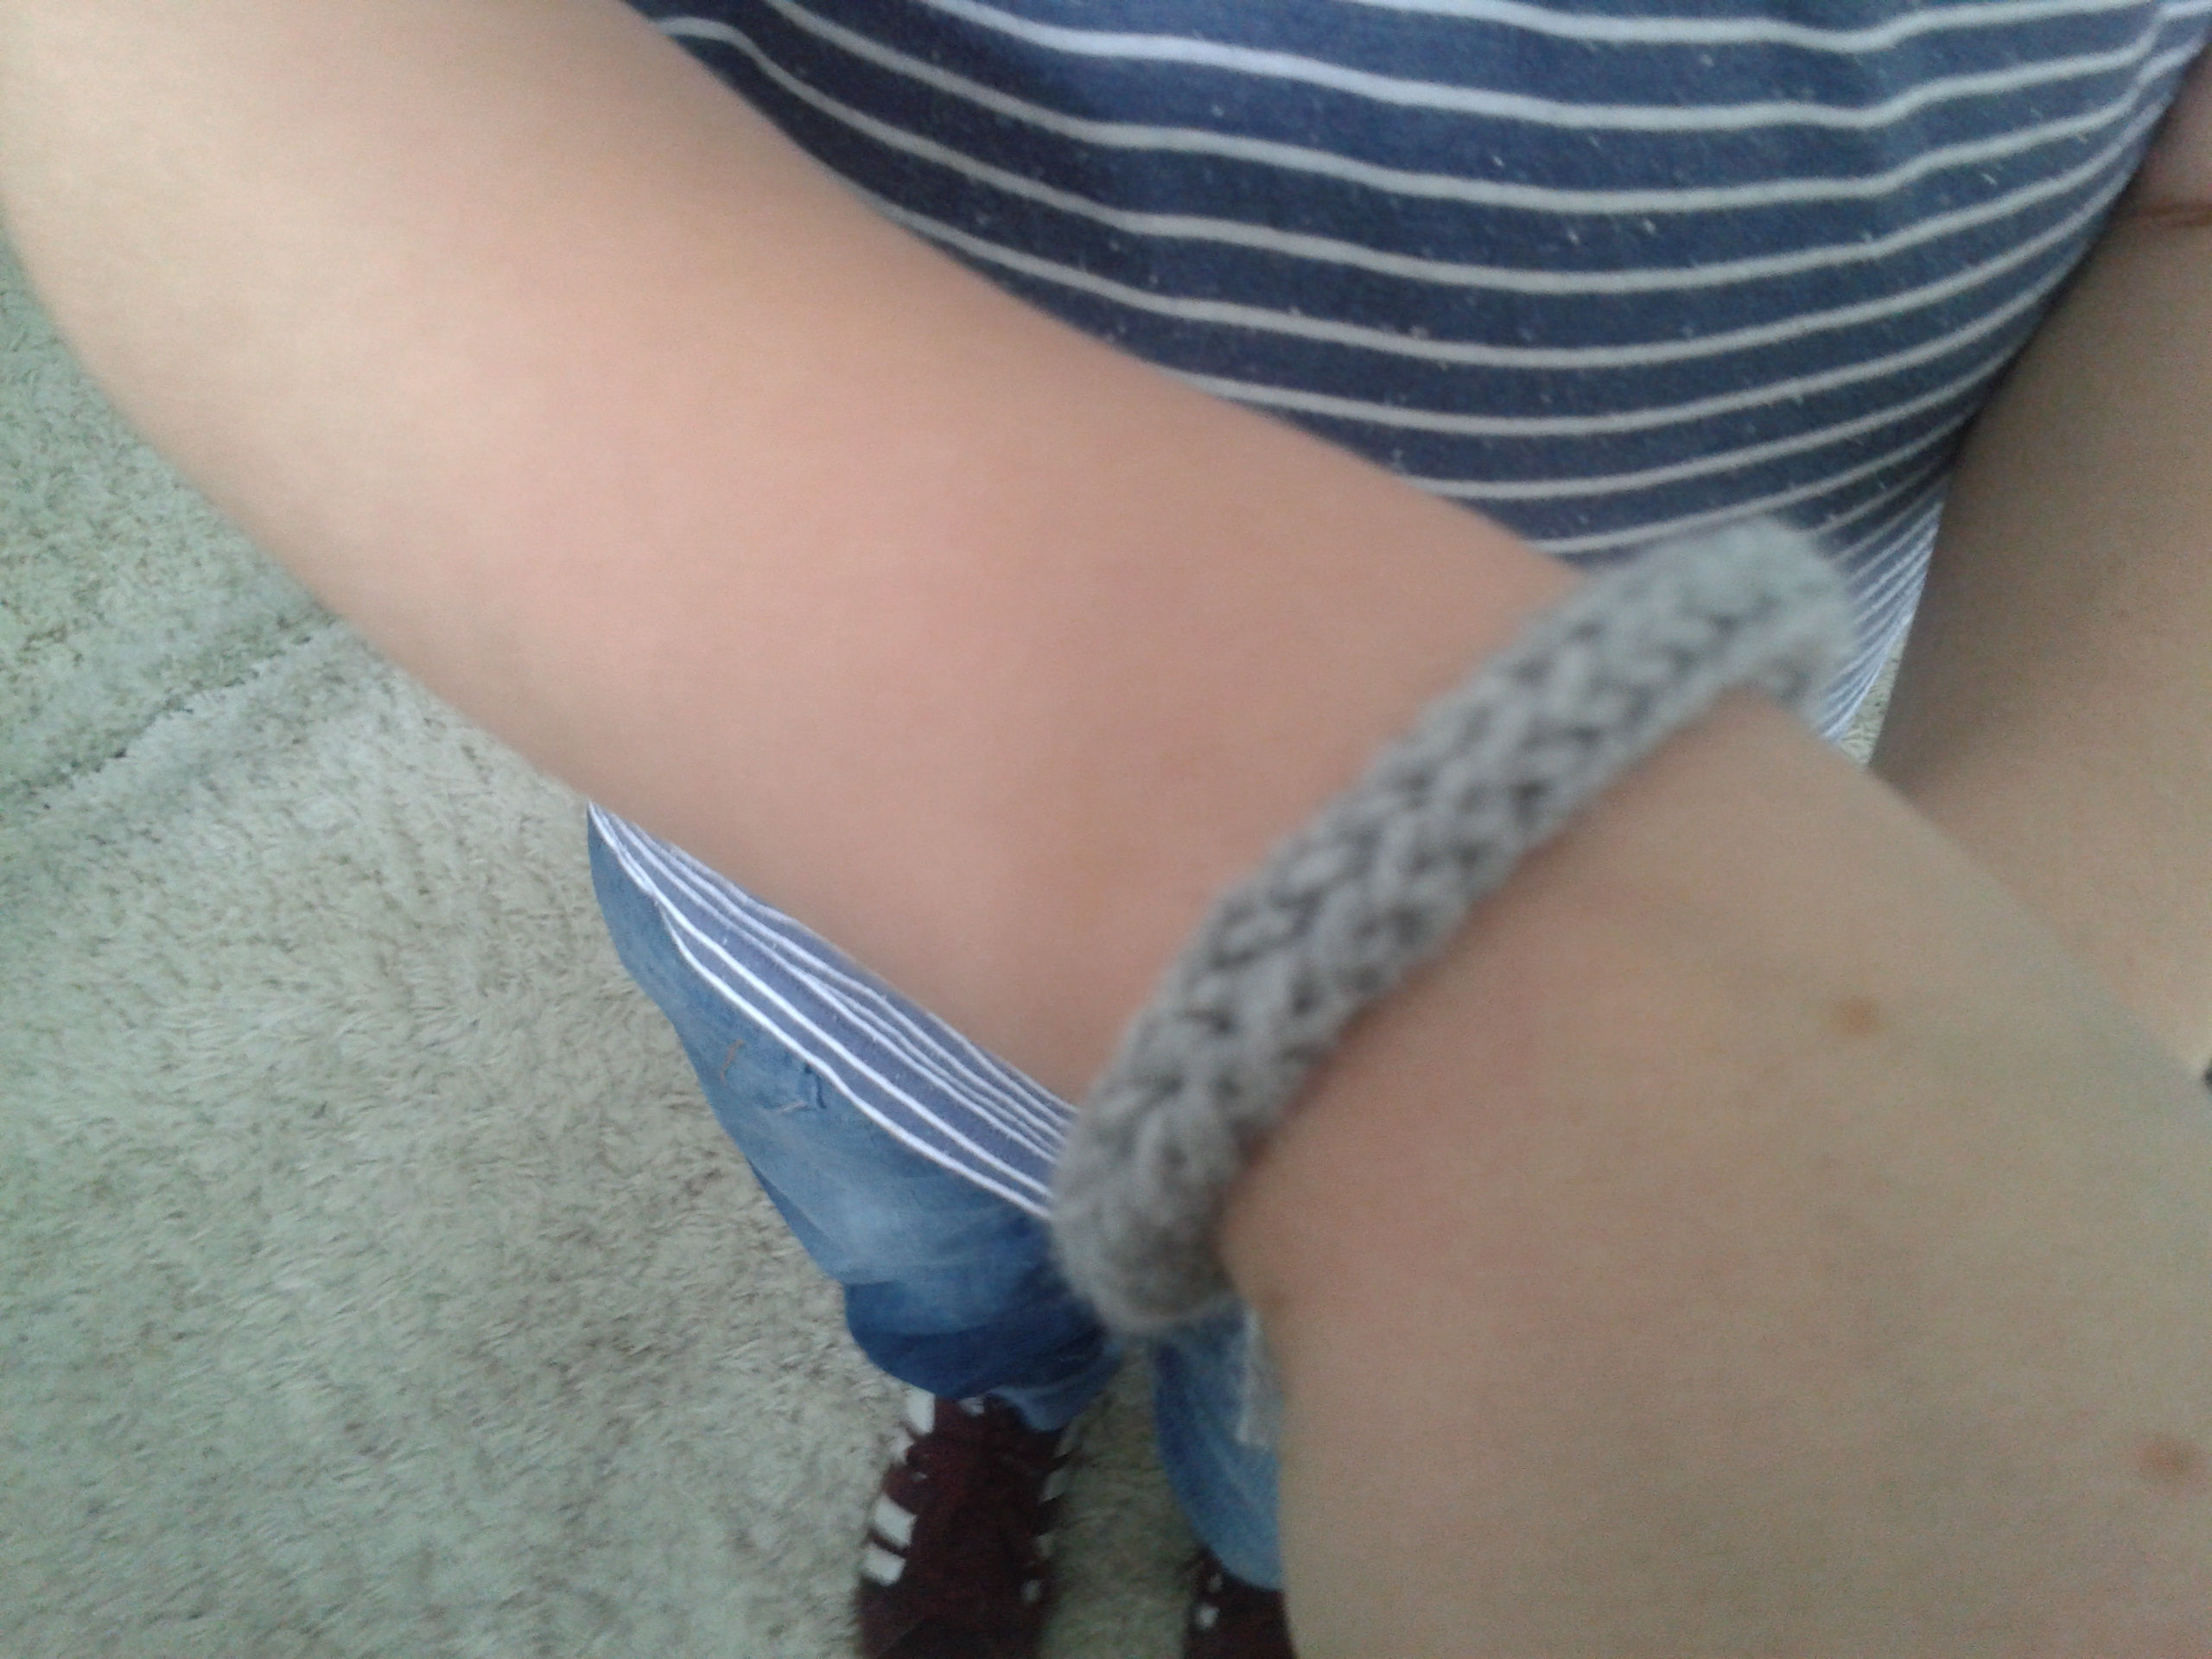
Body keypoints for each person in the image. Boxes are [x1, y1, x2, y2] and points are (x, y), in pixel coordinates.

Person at [3, 3, 2209, 1655]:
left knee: (1314, 1425)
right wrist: (1495, 1016)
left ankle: (1266, 1545)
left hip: (1804, 838)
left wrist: (1953, 1060)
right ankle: (995, 1410)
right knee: (933, 1268)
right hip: (829, 937)